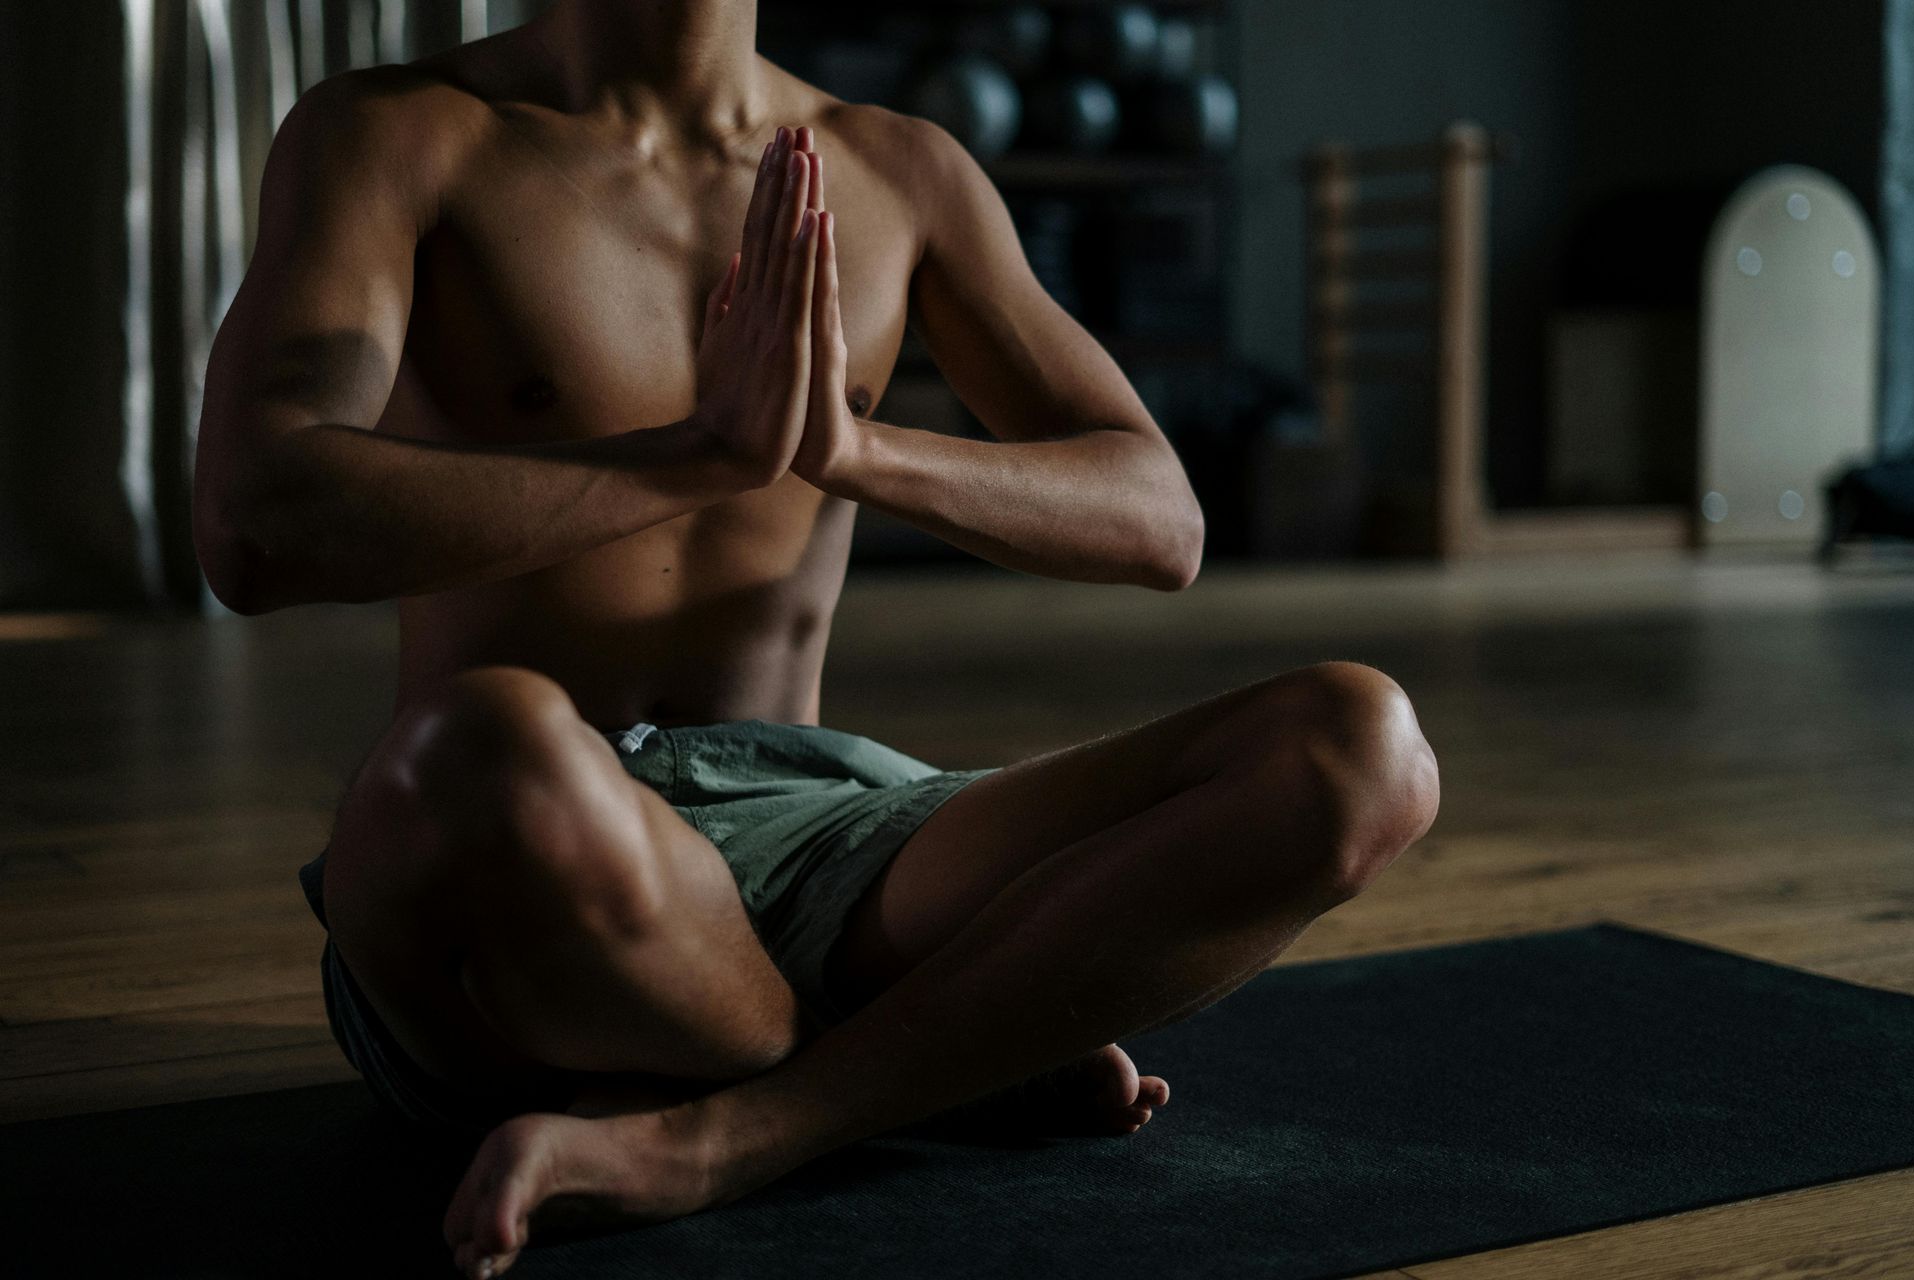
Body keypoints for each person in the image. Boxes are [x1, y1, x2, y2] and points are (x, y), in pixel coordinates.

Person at [191, 2, 1440, 1275]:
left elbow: (1159, 518)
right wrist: (698, 457)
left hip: (826, 829)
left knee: (1356, 747)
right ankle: (950, 1054)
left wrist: (853, 449)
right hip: (516, 861)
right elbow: (251, 523)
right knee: (484, 744)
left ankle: (743, 1127)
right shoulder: (397, 135)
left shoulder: (899, 167)